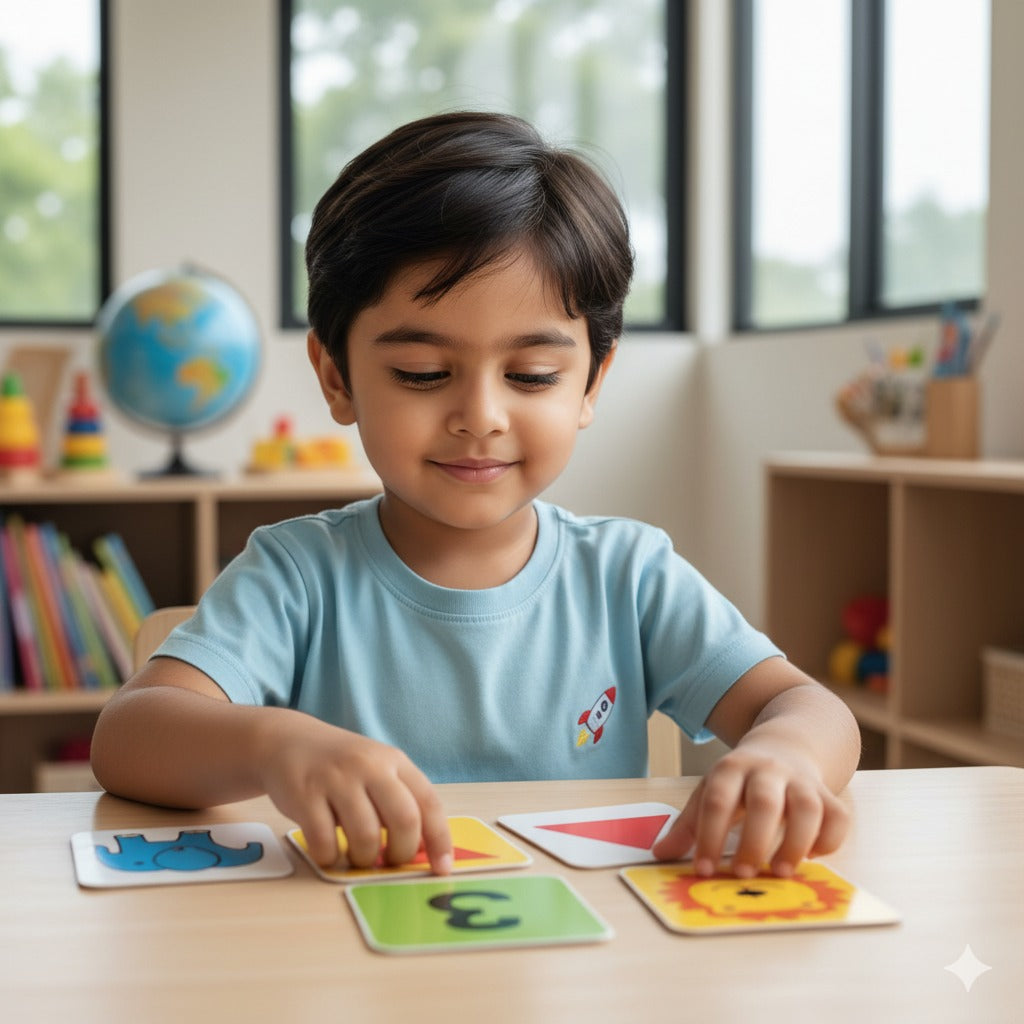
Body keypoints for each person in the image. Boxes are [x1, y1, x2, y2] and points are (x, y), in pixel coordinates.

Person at [91, 111, 859, 881]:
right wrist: (273, 745)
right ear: (335, 377)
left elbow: (809, 708)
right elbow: (129, 734)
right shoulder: (295, 576)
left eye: (531, 376)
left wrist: (785, 753)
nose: (481, 417)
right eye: (423, 373)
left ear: (592, 382)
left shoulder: (630, 575)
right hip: (353, 941)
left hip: (583, 943)